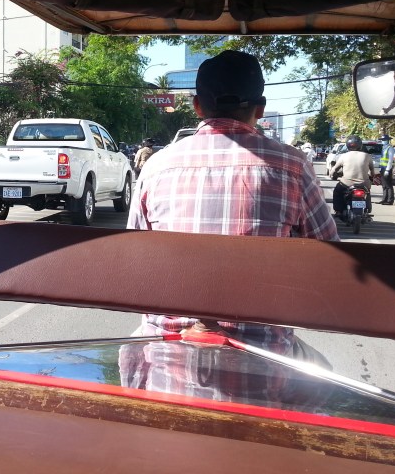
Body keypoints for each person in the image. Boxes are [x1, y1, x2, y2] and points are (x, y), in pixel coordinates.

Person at [128, 50, 338, 360]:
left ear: (198, 106)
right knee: (322, 368)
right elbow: (330, 256)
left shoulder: (157, 166)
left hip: (165, 345)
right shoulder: (293, 165)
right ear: (260, 108)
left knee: (130, 359)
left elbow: (135, 255)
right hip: (263, 351)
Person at [329, 135, 375, 217]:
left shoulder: (344, 156)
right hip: (364, 183)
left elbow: (335, 169)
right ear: (360, 145)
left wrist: (331, 174)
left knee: (337, 191)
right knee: (367, 193)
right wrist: (372, 177)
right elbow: (372, 171)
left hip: (347, 183)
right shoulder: (367, 156)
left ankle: (339, 211)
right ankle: (367, 209)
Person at [377, 134, 395, 205]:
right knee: (384, 185)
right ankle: (384, 199)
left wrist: (387, 170)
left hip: (387, 169)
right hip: (382, 168)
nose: (383, 141)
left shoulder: (390, 148)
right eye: (382, 140)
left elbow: (390, 160)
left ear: (388, 141)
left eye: (384, 140)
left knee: (388, 185)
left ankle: (390, 200)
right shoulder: (383, 148)